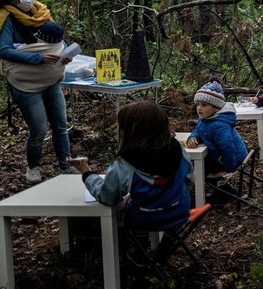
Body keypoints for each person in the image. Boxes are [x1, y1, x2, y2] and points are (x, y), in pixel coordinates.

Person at [69, 101, 194, 264]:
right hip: (180, 212)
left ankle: (132, 253)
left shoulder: (125, 165)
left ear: (130, 132)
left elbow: (107, 196)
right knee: (139, 205)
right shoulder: (178, 151)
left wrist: (87, 173)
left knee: (122, 211)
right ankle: (150, 250)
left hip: (144, 218)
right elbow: (189, 179)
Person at [0, 0, 75, 184]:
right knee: (38, 129)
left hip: (51, 80)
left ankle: (66, 164)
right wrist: (39, 57)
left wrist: (63, 55)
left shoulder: (40, 13)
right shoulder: (6, 17)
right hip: (27, 85)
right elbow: (3, 50)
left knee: (61, 124)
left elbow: (53, 41)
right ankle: (33, 168)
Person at [186, 77, 249, 174]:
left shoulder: (219, 126)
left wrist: (227, 171)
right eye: (197, 104)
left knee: (197, 169)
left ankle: (219, 186)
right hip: (218, 156)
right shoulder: (205, 118)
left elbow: (228, 149)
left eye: (204, 105)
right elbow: (197, 130)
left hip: (232, 160)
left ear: (216, 107)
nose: (199, 108)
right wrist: (192, 138)